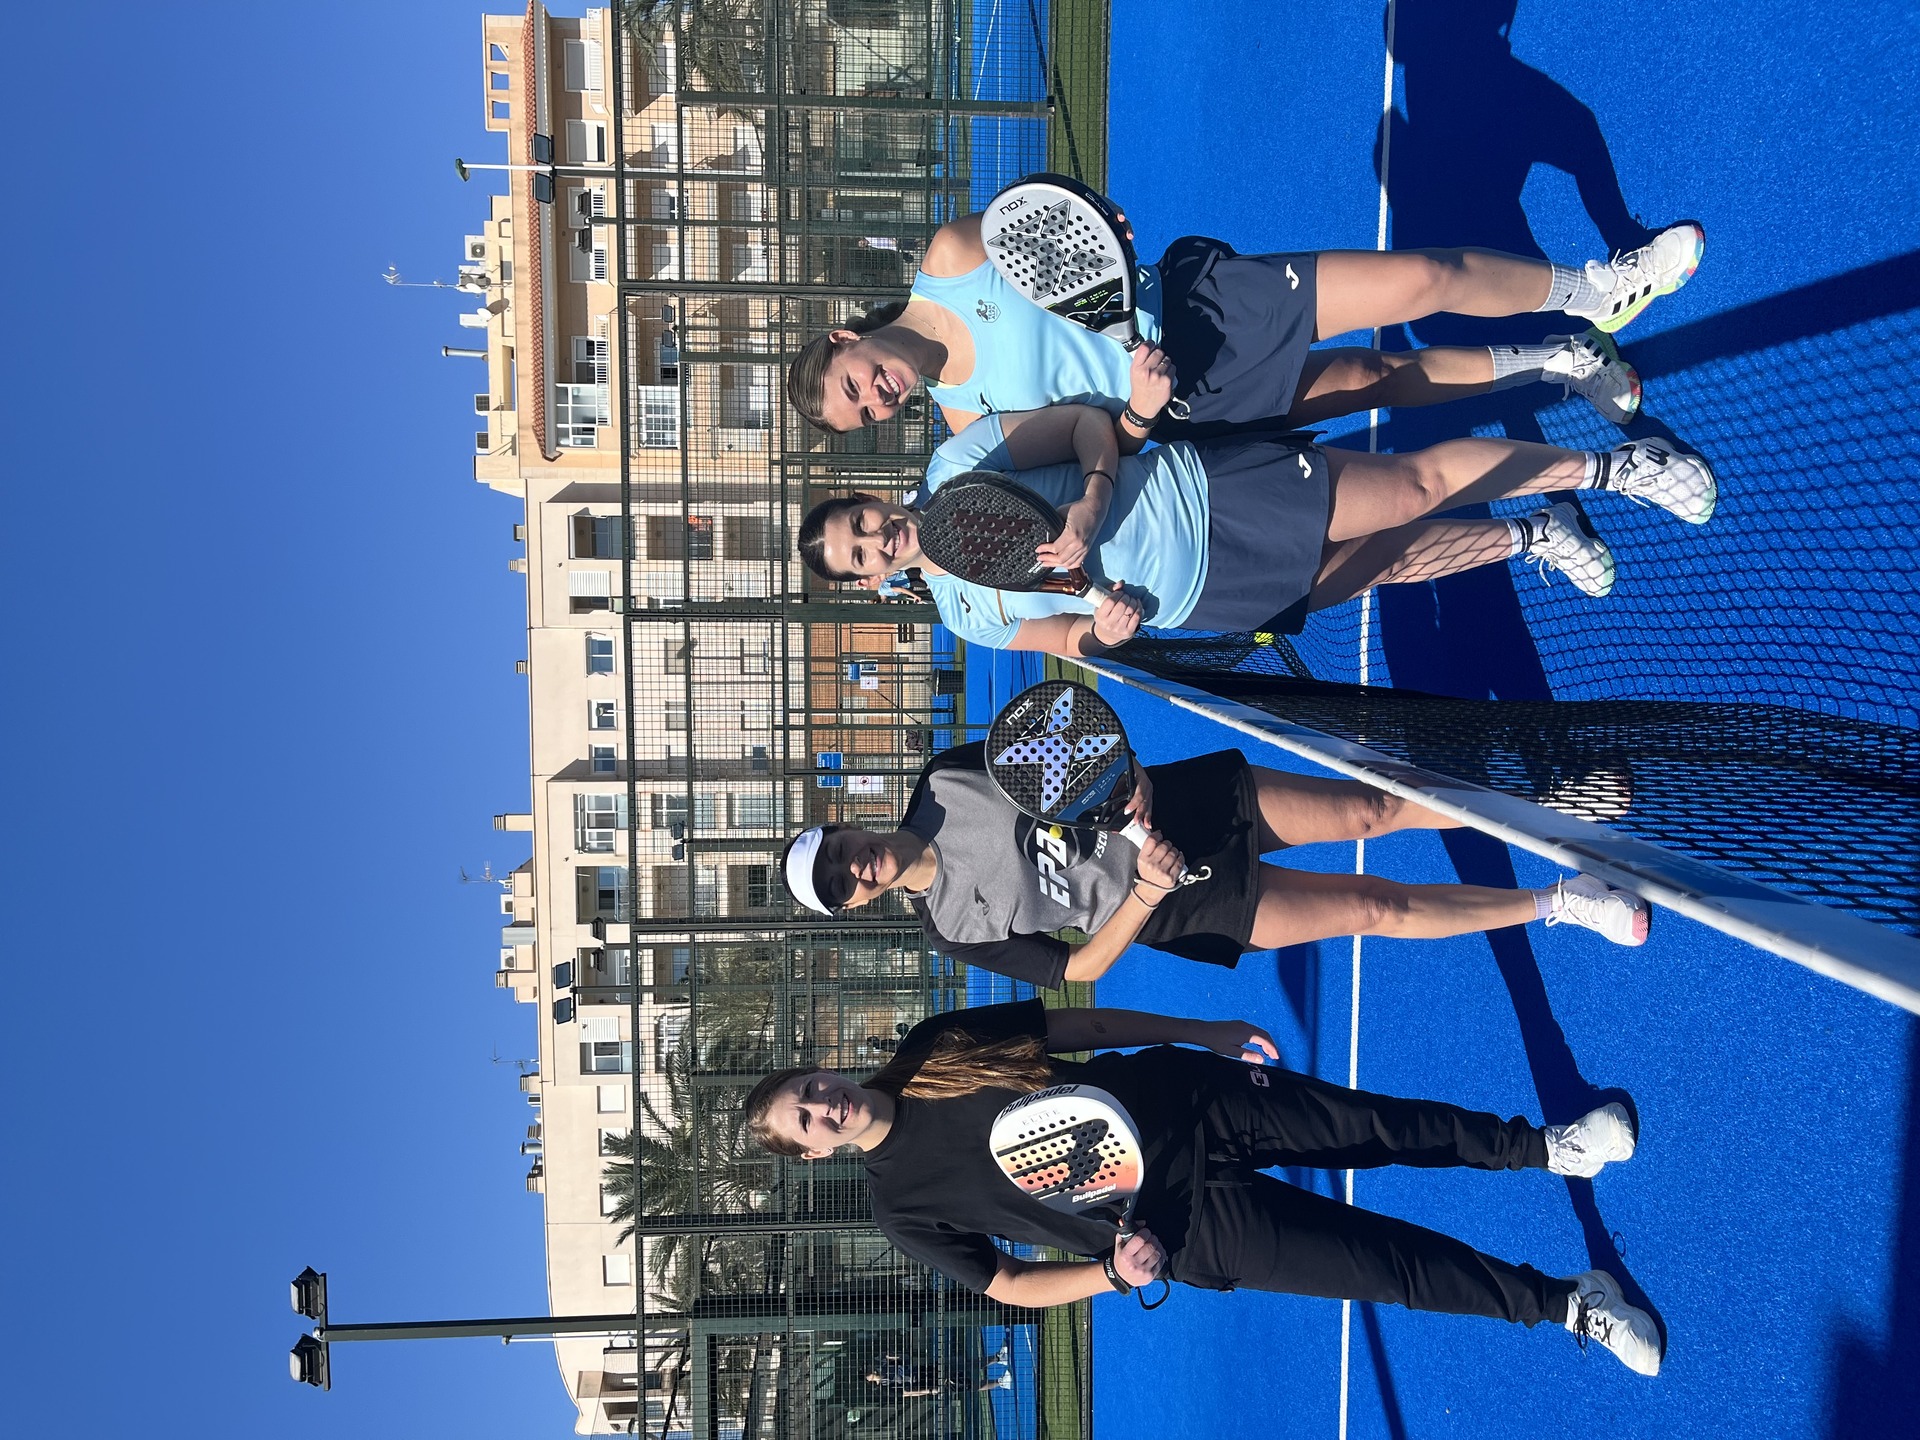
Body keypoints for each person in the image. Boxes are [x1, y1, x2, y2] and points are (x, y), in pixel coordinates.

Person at [745, 999, 1664, 1376]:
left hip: (1190, 1102)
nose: (823, 1106)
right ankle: (1567, 1304)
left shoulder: (932, 1046)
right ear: (814, 1155)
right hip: (1179, 1228)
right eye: (807, 1122)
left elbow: (1072, 1026)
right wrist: (1112, 1276)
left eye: (808, 1090)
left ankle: (1547, 1147)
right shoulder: (899, 1208)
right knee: (1384, 1268)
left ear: (820, 1070)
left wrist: (1198, 1031)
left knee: (1378, 1126)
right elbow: (1009, 1283)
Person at [797, 397, 1717, 655]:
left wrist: (1091, 500)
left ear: (869, 499)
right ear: (870, 581)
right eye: (860, 556)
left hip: (1209, 497)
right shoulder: (963, 616)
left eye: (861, 522)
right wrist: (1108, 630)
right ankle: (1536, 534)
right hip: (1204, 600)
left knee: (1409, 488)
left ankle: (1616, 468)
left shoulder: (957, 465)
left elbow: (1084, 424)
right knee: (1384, 565)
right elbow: (1071, 638)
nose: (877, 539)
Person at [778, 738, 1650, 988]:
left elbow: (1065, 746)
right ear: (854, 906)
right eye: (841, 886)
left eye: (840, 853)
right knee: (1372, 908)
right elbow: (1076, 969)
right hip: (1175, 905)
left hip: (1185, 805)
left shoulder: (944, 779)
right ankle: (1563, 900)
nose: (856, 868)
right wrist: (1145, 890)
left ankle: (1554, 801)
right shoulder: (949, 930)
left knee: (1370, 810)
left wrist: (1132, 784)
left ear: (845, 828)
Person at [785, 206, 1704, 439]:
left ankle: (1599, 290)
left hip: (1203, 303)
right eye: (866, 415)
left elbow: (1062, 227)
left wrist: (1108, 227)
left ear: (844, 340)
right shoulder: (964, 417)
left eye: (855, 386)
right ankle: (1563, 359)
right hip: (1195, 399)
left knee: (1421, 278)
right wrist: (1139, 412)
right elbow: (1094, 440)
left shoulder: (950, 257)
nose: (878, 399)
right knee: (1380, 380)